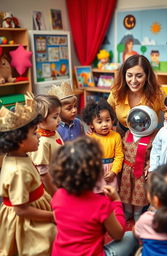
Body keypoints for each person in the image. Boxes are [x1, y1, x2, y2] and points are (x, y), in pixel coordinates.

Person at [50, 136, 139, 256]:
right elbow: (118, 234)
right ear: (96, 173)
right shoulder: (101, 204)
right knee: (131, 237)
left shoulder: (58, 196)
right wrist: (116, 202)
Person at [0, 96, 55, 255]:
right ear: (18, 141)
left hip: (35, 205)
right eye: (34, 133)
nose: (39, 136)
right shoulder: (17, 170)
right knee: (43, 242)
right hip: (26, 221)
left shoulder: (20, 156)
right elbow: (21, 210)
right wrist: (51, 216)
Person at [107, 54, 165, 136]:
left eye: (139, 76)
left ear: (147, 76)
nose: (133, 81)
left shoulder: (158, 93)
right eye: (129, 75)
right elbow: (104, 111)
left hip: (149, 138)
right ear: (124, 75)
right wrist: (94, 125)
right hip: (121, 134)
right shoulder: (116, 91)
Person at [119, 105, 158, 222]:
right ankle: (128, 211)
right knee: (126, 191)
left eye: (142, 123)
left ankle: (137, 213)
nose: (138, 124)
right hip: (126, 170)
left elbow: (155, 153)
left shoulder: (153, 138)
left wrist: (150, 164)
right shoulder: (127, 134)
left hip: (140, 171)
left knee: (139, 193)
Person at [82, 99, 124, 192]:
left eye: (107, 120)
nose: (104, 124)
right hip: (96, 171)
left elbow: (119, 156)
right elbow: (87, 158)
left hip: (111, 171)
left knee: (111, 194)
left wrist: (114, 172)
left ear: (112, 120)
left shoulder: (116, 136)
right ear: (91, 124)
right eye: (99, 122)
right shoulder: (89, 138)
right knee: (95, 195)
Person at [30, 94, 63, 196]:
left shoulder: (53, 131)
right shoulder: (41, 142)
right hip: (51, 188)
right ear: (41, 120)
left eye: (59, 115)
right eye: (55, 117)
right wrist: (56, 194)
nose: (59, 120)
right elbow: (43, 173)